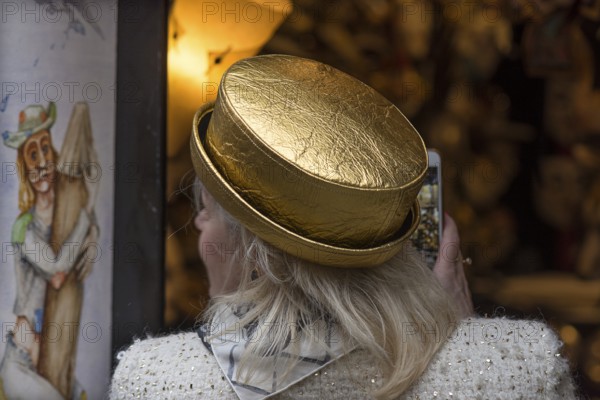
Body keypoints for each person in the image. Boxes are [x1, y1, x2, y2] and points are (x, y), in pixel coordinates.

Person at [110, 55, 577, 399]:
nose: (196, 227)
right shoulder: (520, 365)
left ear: (258, 253)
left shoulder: (157, 380)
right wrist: (469, 348)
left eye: (206, 211)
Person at [0, 102, 96, 400]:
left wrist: (93, 236)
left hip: (53, 354)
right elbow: (55, 267)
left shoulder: (62, 214)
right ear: (25, 167)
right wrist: (85, 222)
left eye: (45, 149)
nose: (41, 161)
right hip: (23, 360)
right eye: (32, 154)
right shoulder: (23, 228)